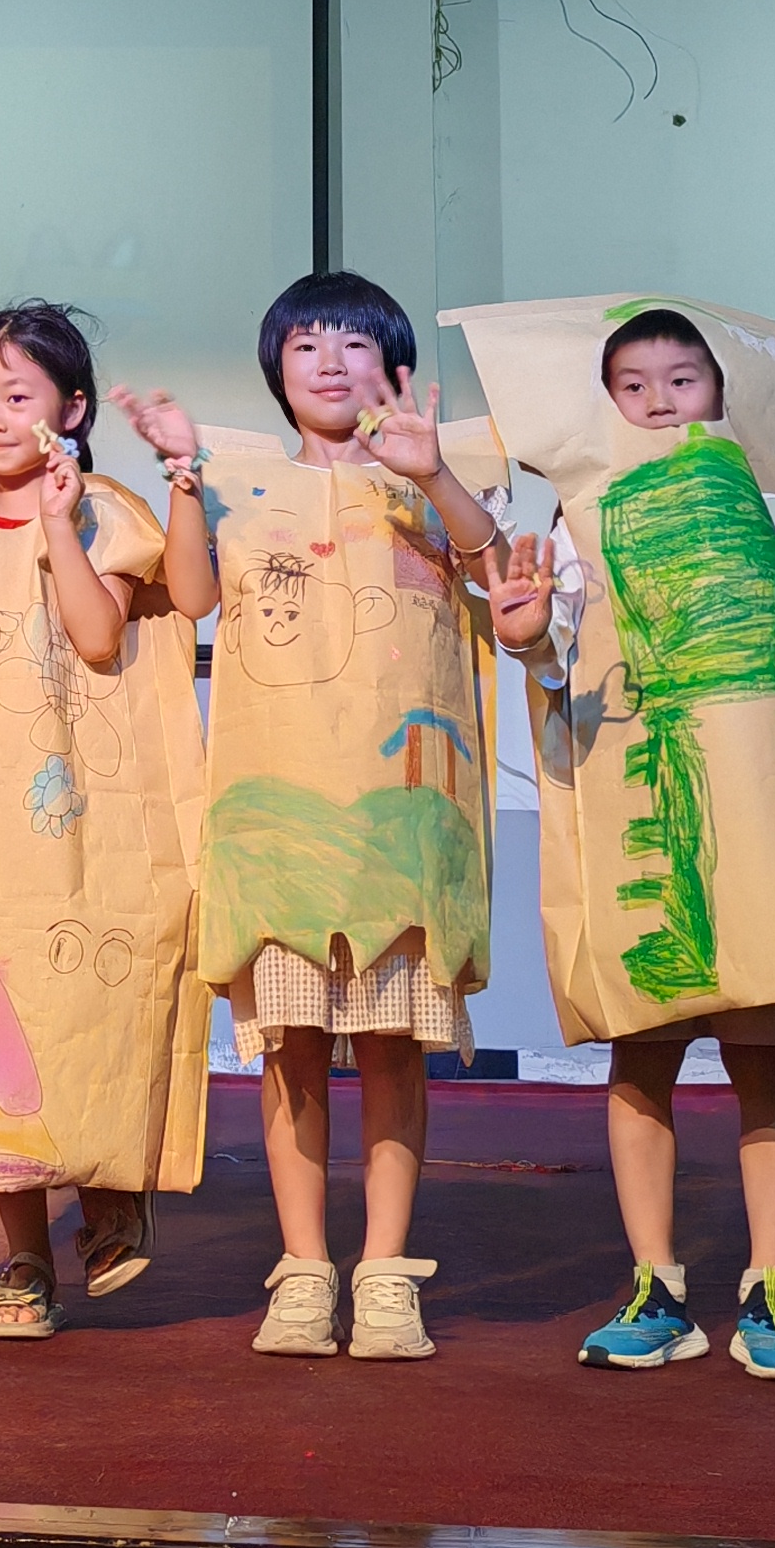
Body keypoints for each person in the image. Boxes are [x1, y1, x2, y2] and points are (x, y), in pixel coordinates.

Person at [475, 304, 775, 1382]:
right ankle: (654, 1283)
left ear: (718, 395)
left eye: (682, 379)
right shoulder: (575, 525)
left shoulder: (761, 521)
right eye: (634, 385)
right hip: (638, 816)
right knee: (640, 1050)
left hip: (749, 810)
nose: (658, 401)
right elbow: (550, 643)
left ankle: (770, 1285)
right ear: (605, 405)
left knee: (762, 1048)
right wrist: (523, 630)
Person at [118, 269, 502, 1365]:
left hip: (404, 822)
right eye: (305, 346)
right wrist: (182, 473)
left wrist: (434, 474)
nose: (330, 363)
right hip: (274, 812)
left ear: (394, 366)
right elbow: (194, 597)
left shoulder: (436, 471)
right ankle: (302, 1269)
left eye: (353, 343)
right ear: (275, 371)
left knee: (393, 1047)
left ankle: (384, 1273)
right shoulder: (237, 483)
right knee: (287, 1049)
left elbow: (496, 574)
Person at [0, 303, 204, 1342]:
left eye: (15, 395)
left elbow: (99, 636)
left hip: (81, 819)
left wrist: (58, 524)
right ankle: (23, 1256)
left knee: (83, 1003)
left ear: (72, 407)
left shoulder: (103, 509)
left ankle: (110, 1188)